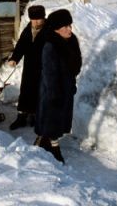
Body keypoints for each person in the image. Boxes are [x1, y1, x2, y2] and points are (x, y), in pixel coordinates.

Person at [34, 9, 82, 163]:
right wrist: (54, 95)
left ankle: (44, 140)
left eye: (70, 25)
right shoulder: (51, 46)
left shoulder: (71, 41)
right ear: (56, 29)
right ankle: (53, 148)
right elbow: (49, 74)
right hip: (53, 90)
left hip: (66, 87)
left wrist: (71, 84)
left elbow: (73, 67)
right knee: (53, 119)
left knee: (59, 120)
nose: (69, 29)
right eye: (65, 26)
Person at [6, 5, 47, 130]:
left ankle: (36, 117)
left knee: (40, 92)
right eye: (33, 19)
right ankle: (21, 117)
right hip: (29, 66)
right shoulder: (28, 29)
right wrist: (14, 58)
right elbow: (21, 45)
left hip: (44, 67)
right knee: (25, 91)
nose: (35, 22)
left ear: (43, 18)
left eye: (38, 19)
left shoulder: (49, 30)